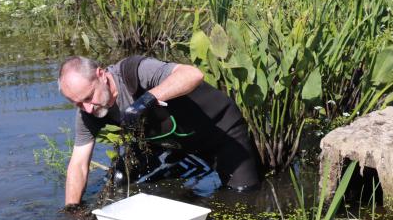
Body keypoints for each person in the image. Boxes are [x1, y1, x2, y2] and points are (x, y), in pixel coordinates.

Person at [58, 55, 261, 206]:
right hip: (174, 144)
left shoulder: (134, 72)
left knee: (242, 197)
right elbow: (78, 165)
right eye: (77, 103)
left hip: (220, 130)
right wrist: (72, 210)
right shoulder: (87, 112)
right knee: (119, 179)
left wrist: (145, 101)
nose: (87, 108)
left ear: (101, 75)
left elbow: (193, 74)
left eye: (88, 97)